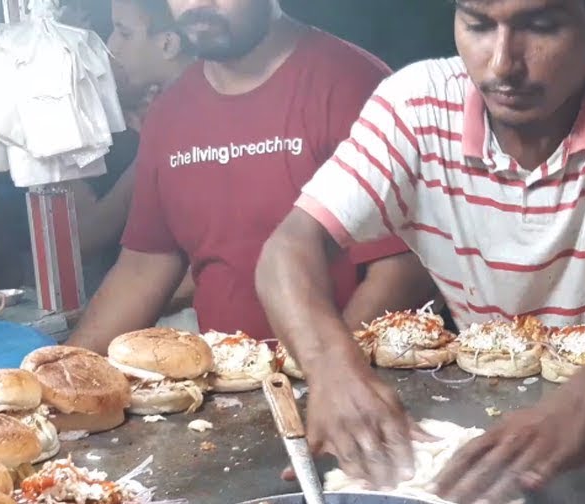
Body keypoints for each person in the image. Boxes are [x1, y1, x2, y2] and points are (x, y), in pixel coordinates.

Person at [256, 0, 585, 503]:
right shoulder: (414, 105)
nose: (503, 63)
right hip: (481, 412)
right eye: (479, 24)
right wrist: (332, 368)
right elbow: (290, 246)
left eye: (540, 26)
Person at [67, 0, 433, 351]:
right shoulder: (170, 114)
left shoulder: (354, 84)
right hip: (232, 397)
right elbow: (143, 266)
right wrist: (62, 372)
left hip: (357, 384)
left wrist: (330, 372)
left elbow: (404, 267)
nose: (196, 3)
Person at [70, 0, 195, 294]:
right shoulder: (164, 120)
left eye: (124, 33)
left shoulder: (193, 120)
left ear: (168, 44)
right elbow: (94, 230)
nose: (111, 46)